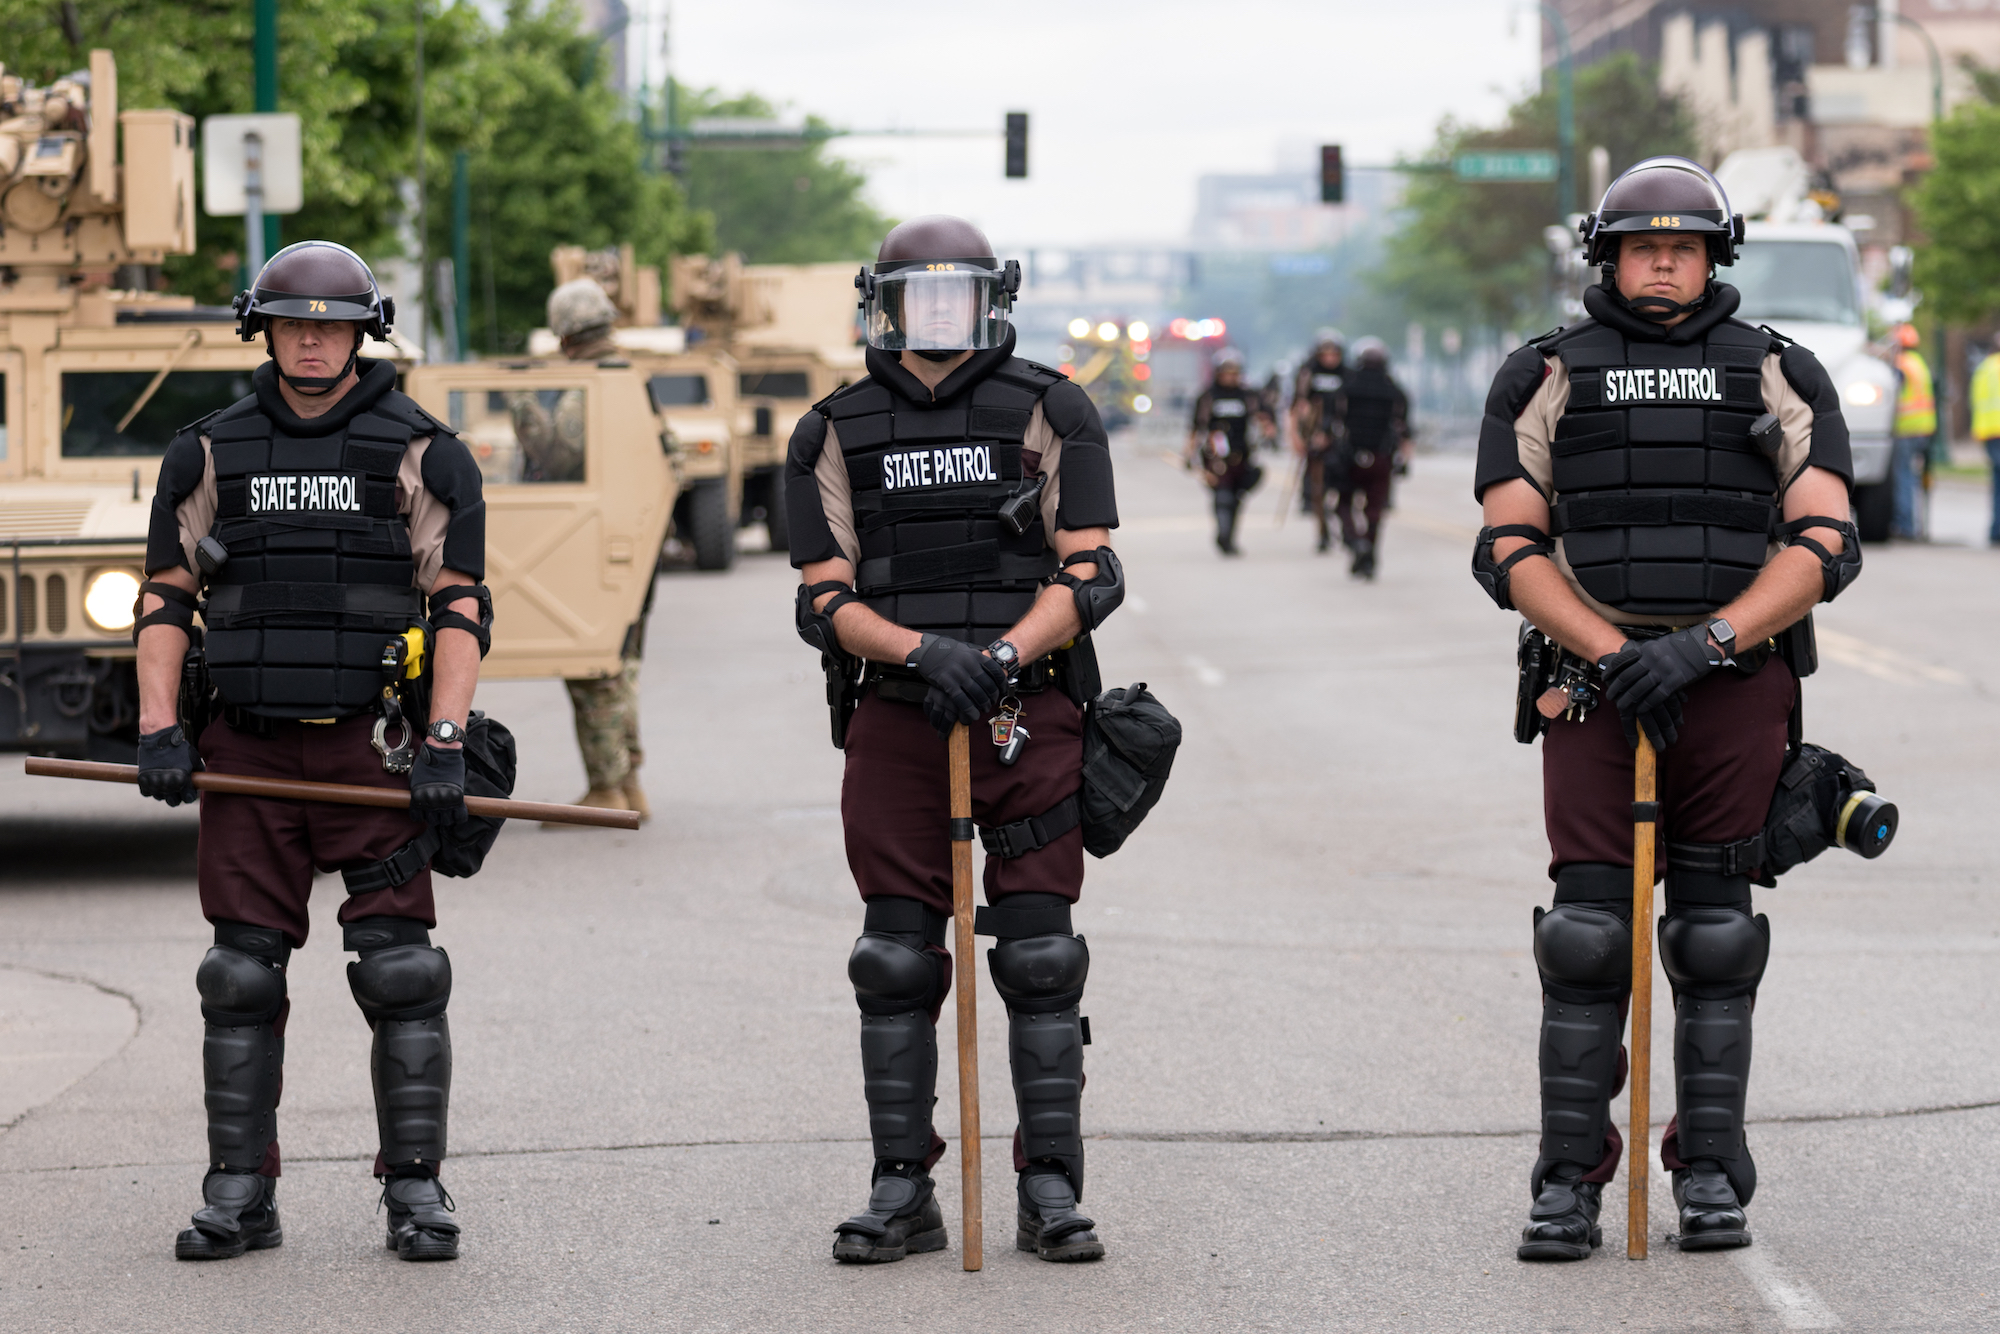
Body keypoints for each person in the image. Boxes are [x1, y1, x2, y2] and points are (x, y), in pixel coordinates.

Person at [1471, 157, 1859, 1260]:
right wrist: (1613, 652)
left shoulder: (1779, 371)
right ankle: (1566, 1180)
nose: (1660, 264)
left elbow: (1826, 539)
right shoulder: (1543, 373)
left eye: (1681, 247)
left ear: (1712, 256)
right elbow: (1507, 546)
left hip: (1732, 682)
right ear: (1607, 257)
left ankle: (1709, 1171)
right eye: (1641, 247)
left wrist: (1704, 645)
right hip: (1593, 686)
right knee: (1587, 937)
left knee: (1714, 934)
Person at [133, 241, 494, 1262]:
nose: (311, 342)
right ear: (264, 330)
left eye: (331, 327)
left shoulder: (425, 451)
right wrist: (159, 726)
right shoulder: (206, 452)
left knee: (403, 971)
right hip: (245, 751)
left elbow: (461, 605)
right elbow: (165, 598)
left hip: (369, 751)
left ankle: (415, 1189)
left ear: (363, 333)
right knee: (238, 975)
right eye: (294, 323)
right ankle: (240, 1191)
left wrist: (445, 741)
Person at [786, 215, 1123, 1265]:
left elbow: (1090, 569)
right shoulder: (829, 430)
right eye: (915, 296)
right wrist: (924, 653)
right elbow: (822, 596)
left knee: (1040, 952)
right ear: (880, 306)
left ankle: (1051, 1181)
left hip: (1028, 711)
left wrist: (1004, 655)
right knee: (893, 956)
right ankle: (902, 1185)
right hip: (898, 712)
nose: (937, 314)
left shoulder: (1052, 407)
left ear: (993, 300)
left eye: (957, 294)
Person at [529, 277, 649, 820]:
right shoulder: (632, 379)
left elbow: (558, 459)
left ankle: (607, 788)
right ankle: (628, 783)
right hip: (633, 548)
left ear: (564, 336)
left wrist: (524, 411)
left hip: (593, 545)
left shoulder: (589, 386)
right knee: (620, 668)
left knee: (592, 671)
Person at [1335, 337, 1411, 580]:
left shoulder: (1347, 387)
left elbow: (1334, 421)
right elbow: (1404, 429)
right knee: (1375, 509)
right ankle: (1369, 554)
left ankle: (1357, 542)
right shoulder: (1395, 391)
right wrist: (1404, 461)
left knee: (1343, 503)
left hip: (1349, 456)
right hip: (1382, 457)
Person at [1186, 349, 1270, 555]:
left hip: (1241, 454)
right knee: (1222, 496)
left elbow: (1264, 419)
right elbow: (1196, 428)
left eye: (1234, 372)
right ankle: (1223, 535)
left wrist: (1267, 428)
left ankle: (1230, 537)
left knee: (1236, 497)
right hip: (1215, 457)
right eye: (1226, 372)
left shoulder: (1248, 396)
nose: (1230, 377)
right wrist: (1189, 453)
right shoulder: (1208, 397)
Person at [1291, 330, 1346, 553]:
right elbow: (1298, 406)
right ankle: (1323, 533)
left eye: (1334, 353)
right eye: (1325, 353)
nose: (1330, 358)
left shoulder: (1348, 374)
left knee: (1344, 487)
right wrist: (1297, 436)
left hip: (1341, 436)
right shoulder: (1308, 374)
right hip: (1315, 435)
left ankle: (1346, 528)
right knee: (1317, 489)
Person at [1889, 323, 1935, 540]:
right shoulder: (1919, 363)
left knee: (1903, 476)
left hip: (1905, 429)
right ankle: (1914, 525)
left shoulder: (1900, 365)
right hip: (1923, 428)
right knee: (1914, 477)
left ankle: (1904, 526)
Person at [1970, 334, 2000, 545]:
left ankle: (1996, 529)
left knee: (1997, 481)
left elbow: (1975, 400)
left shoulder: (1984, 368)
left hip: (1990, 432)